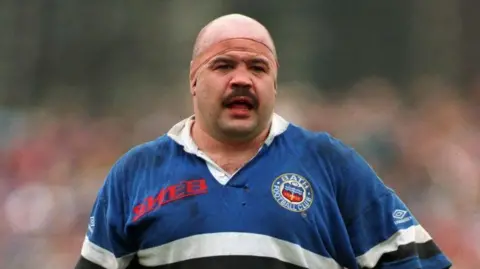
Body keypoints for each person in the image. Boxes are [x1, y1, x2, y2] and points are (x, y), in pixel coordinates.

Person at [75, 14, 452, 269]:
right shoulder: (135, 174)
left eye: (257, 67)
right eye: (223, 66)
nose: (241, 79)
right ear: (193, 79)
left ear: (274, 84)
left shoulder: (332, 165)